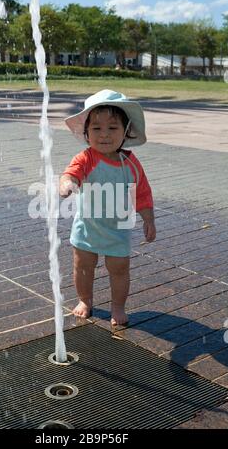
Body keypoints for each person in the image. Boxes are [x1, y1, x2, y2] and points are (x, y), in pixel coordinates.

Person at [60, 89, 156, 326]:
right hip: (87, 226)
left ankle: (118, 306)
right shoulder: (86, 158)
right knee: (83, 266)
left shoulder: (130, 164)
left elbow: (142, 194)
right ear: (86, 132)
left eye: (112, 128)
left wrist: (148, 219)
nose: (104, 135)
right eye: (96, 129)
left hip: (117, 229)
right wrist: (67, 184)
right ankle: (85, 300)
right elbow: (71, 173)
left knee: (119, 269)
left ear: (125, 131)